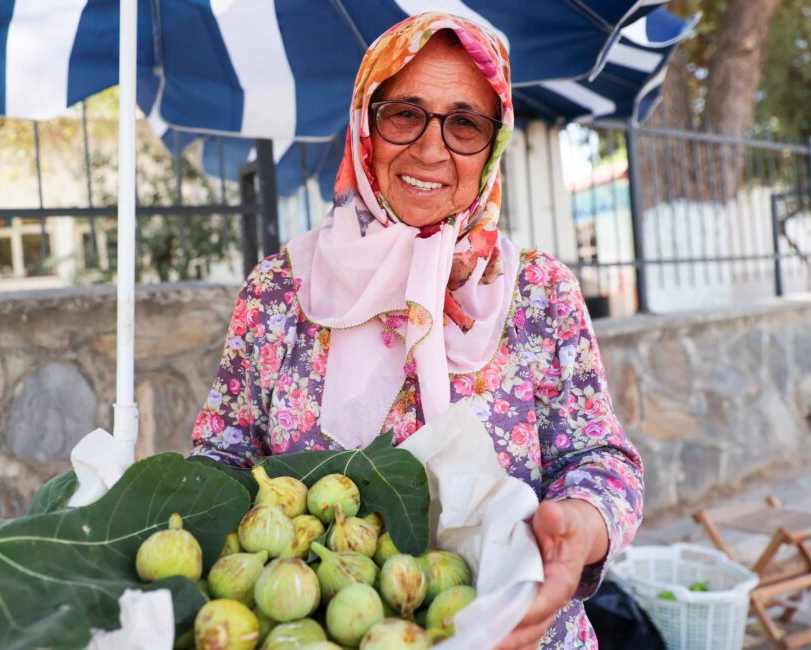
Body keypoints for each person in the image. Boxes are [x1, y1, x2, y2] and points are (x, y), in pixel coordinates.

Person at [191, 12, 643, 649]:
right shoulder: (279, 290)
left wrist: (581, 525)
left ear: (493, 145)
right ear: (364, 127)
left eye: (465, 123)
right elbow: (223, 455)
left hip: (516, 631)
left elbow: (600, 460)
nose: (431, 150)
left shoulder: (539, 293)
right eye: (404, 113)